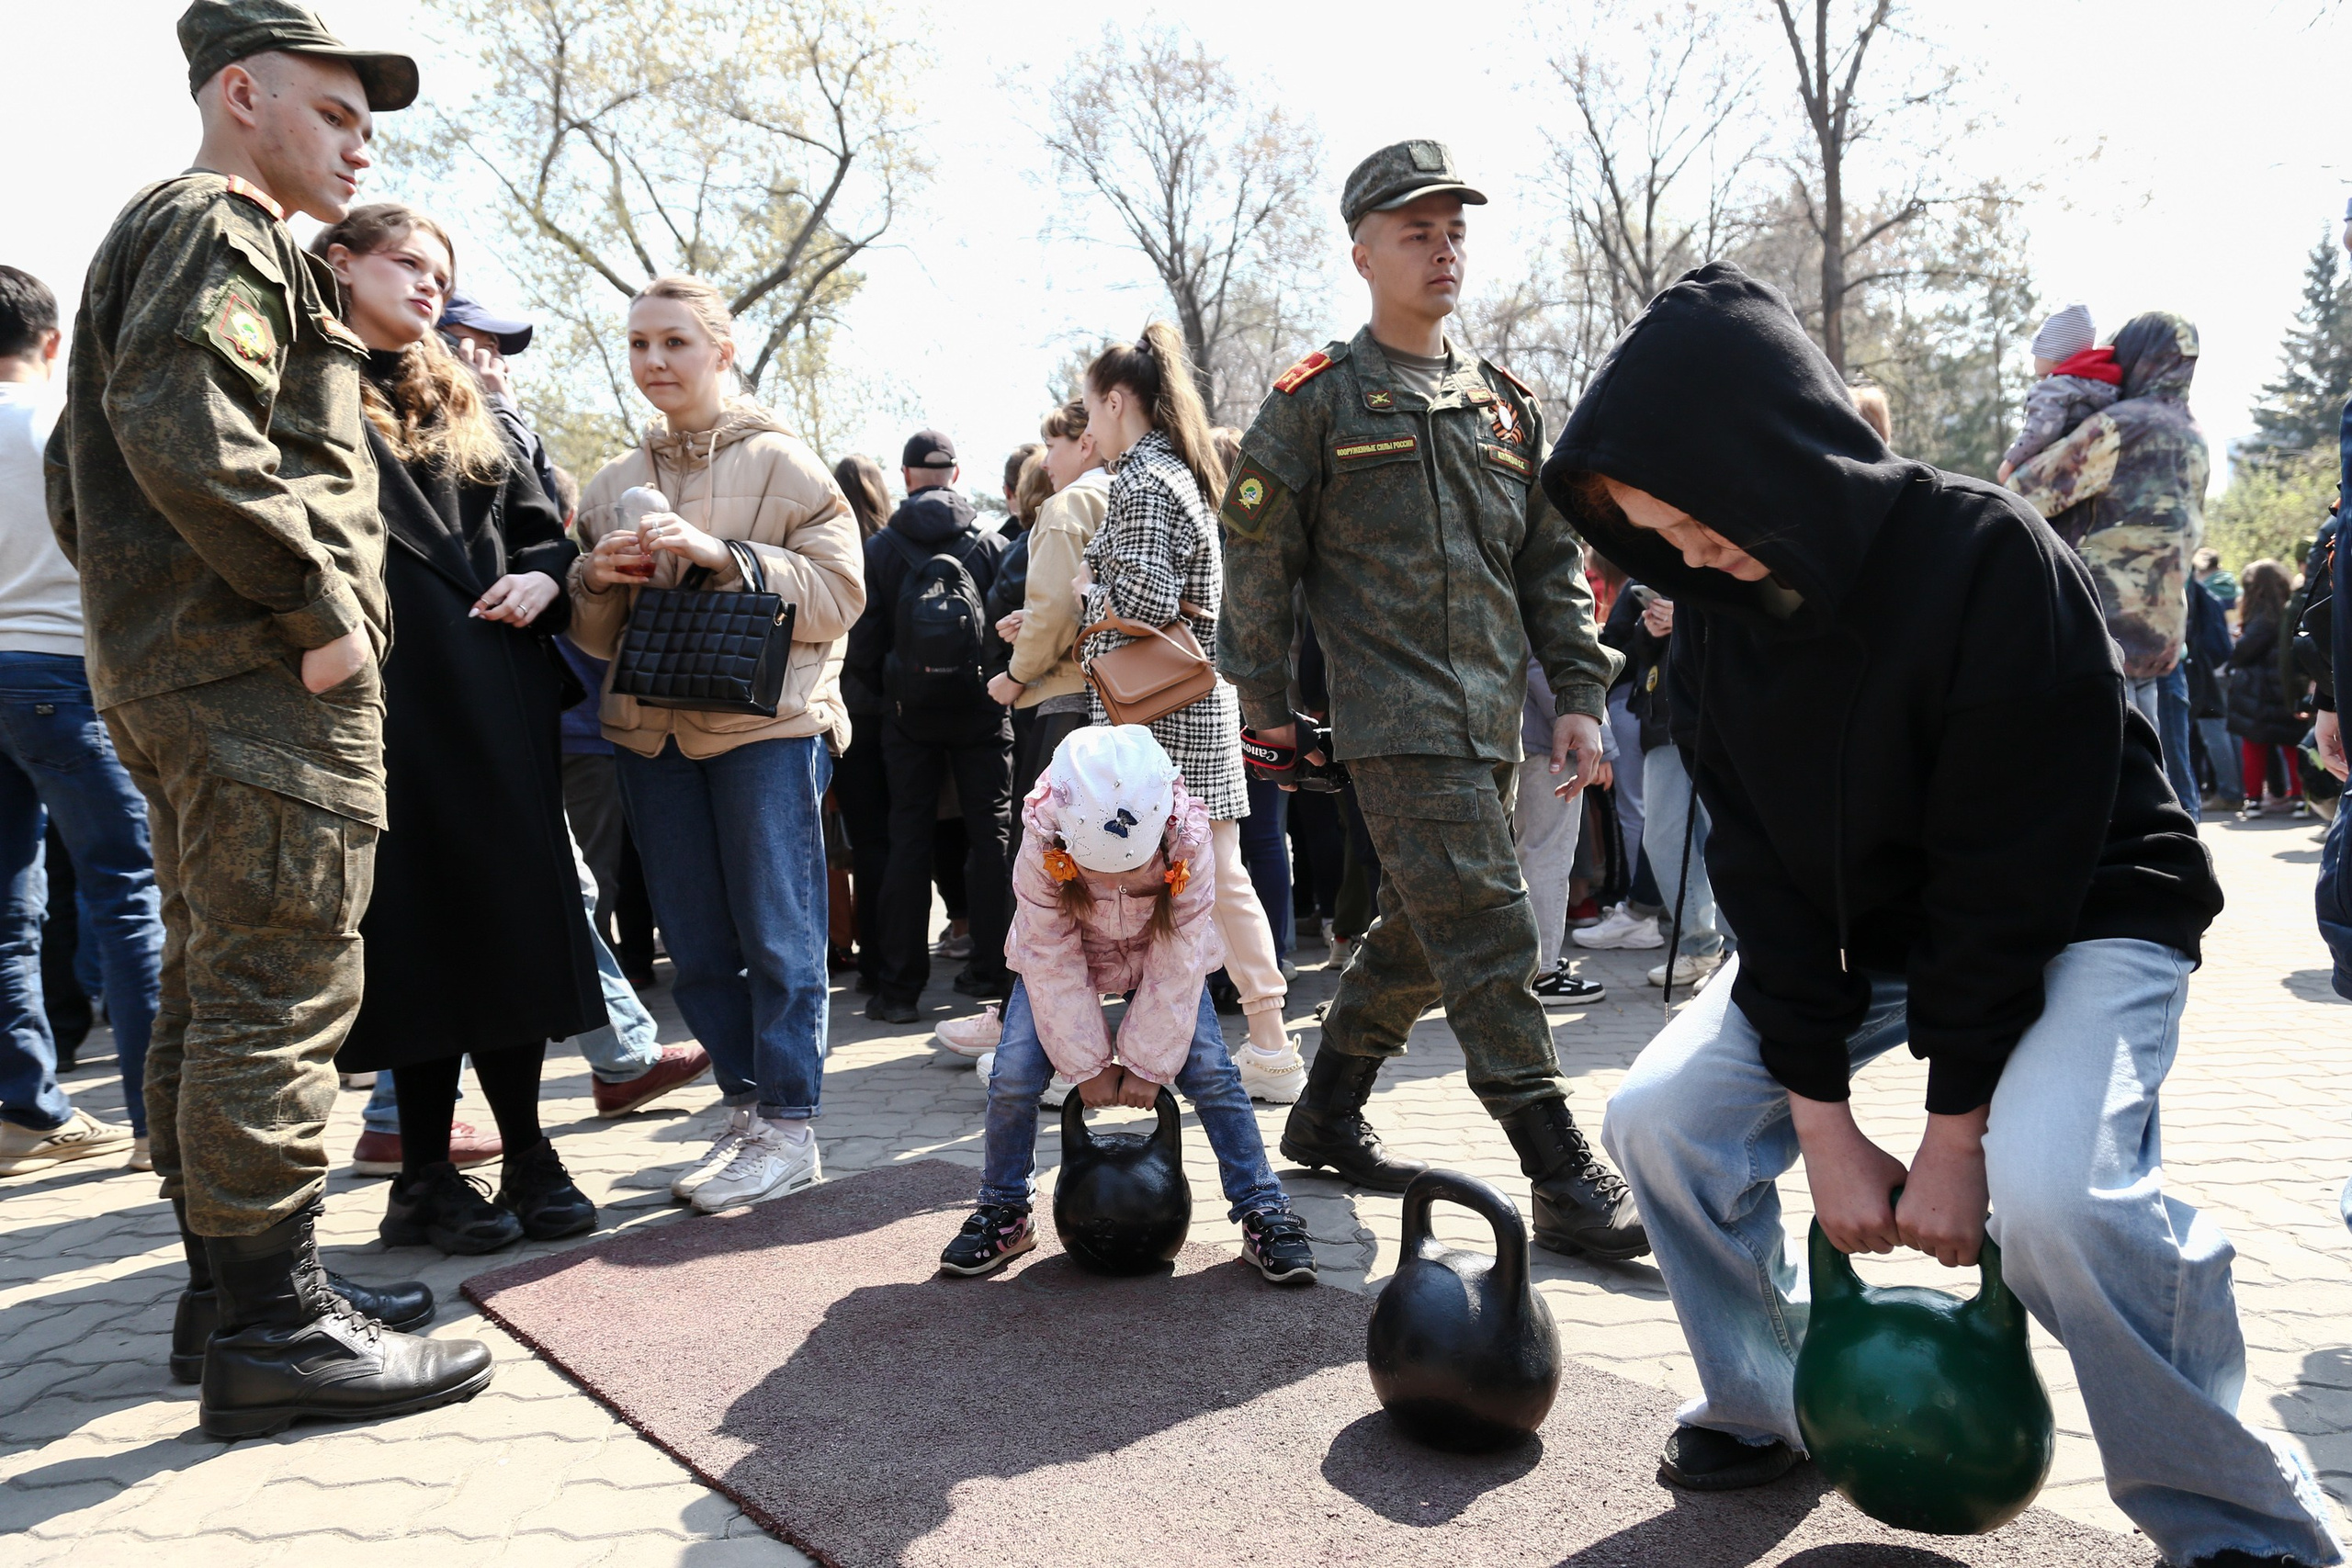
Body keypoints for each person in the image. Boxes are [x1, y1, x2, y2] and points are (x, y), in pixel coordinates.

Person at [1544, 263, 2349, 1568]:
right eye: (1660, 544)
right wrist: (1824, 1124)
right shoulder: (1715, 636)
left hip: (2085, 908)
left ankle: (2243, 1524)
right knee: (1658, 1119)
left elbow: (2006, 876)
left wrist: (1952, 1134)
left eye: (1699, 523)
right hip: (1879, 941)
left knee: (2056, 1195)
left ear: (1765, 446)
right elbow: (1765, 888)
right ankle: (1769, 1397)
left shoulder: (1985, 551)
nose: (1692, 559)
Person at [46, 0, 489, 1437]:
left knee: (215, 978)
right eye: (338, 115)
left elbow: (79, 466)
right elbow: (187, 434)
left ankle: (229, 1290)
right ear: (244, 92)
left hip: (184, 671)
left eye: (371, 126)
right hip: (252, 679)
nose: (361, 149)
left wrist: (145, 629)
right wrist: (318, 614)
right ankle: (277, 1329)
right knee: (276, 989)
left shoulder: (178, 235)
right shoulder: (222, 226)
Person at [1216, 140, 1643, 1260]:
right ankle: (1555, 1167)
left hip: (1487, 722)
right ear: (1363, 253)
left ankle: (1324, 1111)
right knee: (1491, 925)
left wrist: (1580, 693)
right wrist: (1262, 700)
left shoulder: (1507, 408)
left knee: (1422, 926)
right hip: (1389, 720)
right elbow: (1256, 555)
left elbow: (1550, 568)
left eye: (1454, 229)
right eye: (1417, 231)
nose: (1442, 249)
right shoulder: (1315, 402)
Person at [306, 204, 604, 1253]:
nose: (429, 285)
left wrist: (544, 577)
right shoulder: (300, 378)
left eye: (441, 271)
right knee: (415, 932)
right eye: (407, 263)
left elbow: (542, 533)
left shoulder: (459, 394)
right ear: (339, 264)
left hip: (492, 692)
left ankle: (527, 1153)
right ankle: (424, 1176)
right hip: (375, 695)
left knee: (509, 920)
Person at [570, 274, 865, 1215]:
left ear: (721, 351)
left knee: (779, 935)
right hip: (648, 731)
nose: (654, 361)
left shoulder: (785, 464)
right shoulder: (613, 483)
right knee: (694, 946)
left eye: (675, 343)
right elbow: (592, 637)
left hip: (766, 731)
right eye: (638, 345)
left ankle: (789, 1123)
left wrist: (724, 556)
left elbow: (839, 597)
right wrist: (598, 575)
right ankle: (746, 1110)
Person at [938, 725, 1316, 1286]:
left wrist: (1145, 1064)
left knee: (1212, 1072)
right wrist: (1088, 1066)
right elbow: (1049, 956)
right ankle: (1005, 1209)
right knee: (1014, 1074)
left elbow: (1181, 953)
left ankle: (1262, 1207)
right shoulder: (1041, 841)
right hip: (1068, 956)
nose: (1113, 877)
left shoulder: (1187, 836)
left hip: (1158, 956)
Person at [1078, 326, 1306, 1100]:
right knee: (1207, 873)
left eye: (1089, 410)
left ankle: (1252, 1044)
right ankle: (1257, 1042)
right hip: (1190, 700)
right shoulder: (1176, 472)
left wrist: (1091, 577)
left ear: (1117, 400)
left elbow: (1139, 602)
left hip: (1160, 709)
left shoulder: (1141, 482)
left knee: (1174, 873)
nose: (1087, 428)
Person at [0, 268, 156, 1178]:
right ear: (52, 343)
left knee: (7, 912)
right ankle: (152, 1120)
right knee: (127, 891)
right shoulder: (64, 428)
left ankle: (24, 1110)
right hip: (63, 672)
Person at [842, 430, 1014, 1024]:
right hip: (984, 709)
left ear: (907, 475)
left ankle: (898, 990)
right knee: (992, 837)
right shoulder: (991, 545)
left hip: (907, 719)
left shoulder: (882, 549)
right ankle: (999, 972)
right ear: (957, 476)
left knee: (907, 840)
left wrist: (889, 695)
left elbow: (859, 649)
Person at [2009, 310, 2208, 811]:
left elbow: (2023, 494)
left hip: (2104, 624)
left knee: (2106, 784)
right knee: (2166, 781)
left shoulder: (2121, 425)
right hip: (2166, 631)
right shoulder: (2195, 433)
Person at [831, 453, 893, 996]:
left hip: (845, 714)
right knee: (899, 842)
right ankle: (899, 954)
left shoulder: (834, 548)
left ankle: (872, 959)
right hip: (893, 714)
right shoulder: (894, 548)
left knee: (865, 845)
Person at [1512, 654, 1607, 1004]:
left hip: (1503, 735)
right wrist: (1598, 744)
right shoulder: (1536, 597)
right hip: (1546, 738)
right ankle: (1542, 973)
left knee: (1523, 853)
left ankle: (1529, 966)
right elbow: (1549, 665)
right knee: (1545, 852)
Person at [1993, 303, 2121, 485]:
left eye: (2037, 353)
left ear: (2053, 356)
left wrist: (2010, 462)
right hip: (2095, 467)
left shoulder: (2054, 388)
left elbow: (2041, 431)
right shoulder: (2103, 386)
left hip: (2062, 468)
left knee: (2014, 492)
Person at [2226, 559, 2310, 818]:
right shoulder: (2292, 609)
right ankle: (2299, 797)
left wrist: (2238, 645)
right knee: (2292, 744)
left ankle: (2253, 800)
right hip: (2286, 688)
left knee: (2254, 746)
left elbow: (2243, 652)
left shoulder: (2261, 615)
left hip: (2257, 692)